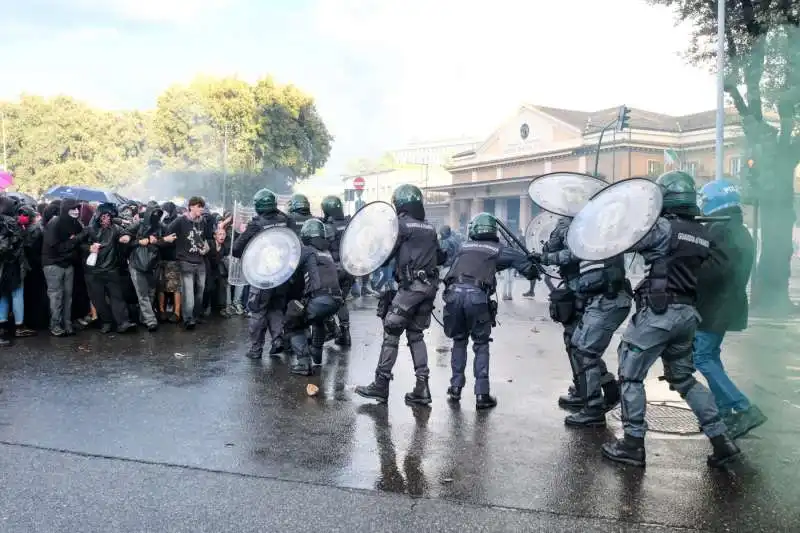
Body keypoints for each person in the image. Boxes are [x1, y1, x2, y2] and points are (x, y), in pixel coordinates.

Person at [601, 170, 740, 468]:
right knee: (684, 378)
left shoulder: (663, 228)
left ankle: (633, 444)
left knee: (630, 375)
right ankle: (722, 440)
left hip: (658, 315)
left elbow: (624, 239)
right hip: (687, 316)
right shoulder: (702, 234)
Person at [355, 184, 445, 405]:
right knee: (416, 335)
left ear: (400, 204)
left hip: (411, 289)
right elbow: (441, 257)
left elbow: (383, 254)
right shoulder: (430, 228)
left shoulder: (400, 225)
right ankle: (422, 389)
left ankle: (381, 384)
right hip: (429, 289)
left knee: (391, 330)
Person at [535, 219, 630, 427]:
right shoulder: (592, 230)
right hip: (597, 296)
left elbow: (571, 253)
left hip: (606, 298)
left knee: (585, 351)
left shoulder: (594, 233)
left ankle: (594, 408)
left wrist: (545, 257)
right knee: (580, 346)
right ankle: (602, 392)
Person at [442, 212, 539, 409]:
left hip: (453, 295)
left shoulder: (463, 246)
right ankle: (481, 395)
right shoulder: (498, 248)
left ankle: (455, 388)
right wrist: (533, 260)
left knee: (459, 341)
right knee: (481, 344)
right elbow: (530, 270)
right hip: (476, 297)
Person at [694, 179, 767, 439]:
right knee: (709, 356)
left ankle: (743, 408)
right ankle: (724, 411)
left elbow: (715, 272)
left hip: (715, 306)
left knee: (701, 357)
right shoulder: (736, 229)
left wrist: (692, 268)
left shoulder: (721, 230)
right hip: (725, 305)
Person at [232, 188, 295, 359]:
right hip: (282, 274)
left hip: (262, 275)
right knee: (276, 308)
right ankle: (277, 340)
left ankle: (256, 349)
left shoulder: (256, 224)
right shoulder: (286, 220)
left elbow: (236, 249)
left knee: (258, 311)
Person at [285, 219, 343, 375]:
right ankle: (316, 353)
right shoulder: (327, 252)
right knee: (318, 320)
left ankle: (304, 363)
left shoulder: (306, 251)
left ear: (305, 235)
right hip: (336, 300)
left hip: (321, 298)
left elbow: (289, 269)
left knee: (293, 320)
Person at [83, 202, 136, 334]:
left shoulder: (115, 228)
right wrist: (88, 248)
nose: (106, 219)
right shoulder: (89, 230)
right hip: (93, 271)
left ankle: (123, 322)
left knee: (117, 297)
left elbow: (125, 233)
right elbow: (79, 243)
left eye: (109, 216)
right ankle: (107, 321)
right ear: (99, 216)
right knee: (98, 299)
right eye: (104, 216)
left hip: (110, 268)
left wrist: (126, 237)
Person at [124, 204, 177, 331]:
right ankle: (150, 320)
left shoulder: (161, 226)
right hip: (137, 263)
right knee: (142, 293)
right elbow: (125, 239)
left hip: (153, 264)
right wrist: (140, 241)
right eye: (153, 213)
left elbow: (169, 241)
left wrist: (157, 240)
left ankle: (144, 318)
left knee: (151, 293)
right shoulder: (138, 225)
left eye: (158, 213)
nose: (156, 216)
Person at [41, 199, 87, 336]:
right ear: (65, 209)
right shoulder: (55, 223)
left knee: (68, 296)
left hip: (67, 264)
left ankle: (67, 324)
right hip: (53, 264)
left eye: (78, 208)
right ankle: (55, 325)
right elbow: (57, 247)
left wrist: (76, 241)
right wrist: (75, 240)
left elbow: (78, 243)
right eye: (73, 208)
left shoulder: (76, 224)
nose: (76, 211)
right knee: (56, 296)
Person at [166, 196, 210, 330]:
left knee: (200, 291)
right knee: (189, 292)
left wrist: (206, 247)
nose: (201, 209)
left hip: (200, 260)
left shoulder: (203, 222)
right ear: (191, 206)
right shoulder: (180, 220)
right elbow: (168, 231)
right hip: (185, 260)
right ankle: (188, 318)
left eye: (202, 207)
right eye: (198, 206)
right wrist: (170, 240)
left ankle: (196, 315)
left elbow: (205, 238)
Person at [320, 195, 353, 347]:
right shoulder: (349, 223)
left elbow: (323, 246)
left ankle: (332, 330)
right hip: (350, 268)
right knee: (341, 301)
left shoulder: (328, 227)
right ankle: (345, 334)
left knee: (324, 300)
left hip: (335, 269)